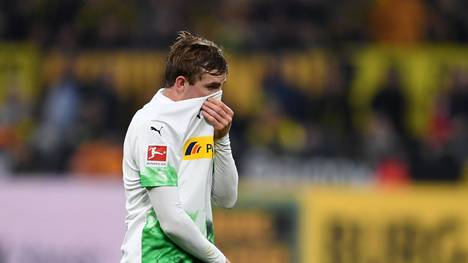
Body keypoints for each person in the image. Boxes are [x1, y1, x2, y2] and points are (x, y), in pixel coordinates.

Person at [121, 31, 238, 263]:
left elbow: (227, 198)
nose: (218, 97)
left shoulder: (202, 119)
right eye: (211, 87)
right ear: (181, 84)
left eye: (221, 87)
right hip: (153, 256)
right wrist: (219, 260)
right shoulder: (154, 127)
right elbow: (171, 221)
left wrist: (222, 139)